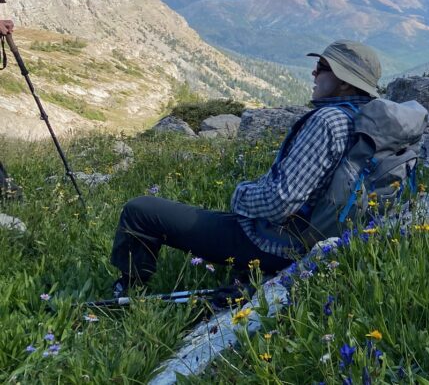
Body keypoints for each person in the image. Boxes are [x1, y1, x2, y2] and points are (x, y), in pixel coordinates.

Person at [110, 40, 382, 295]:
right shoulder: (366, 120)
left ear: (346, 84)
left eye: (322, 68)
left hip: (276, 243)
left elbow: (280, 202)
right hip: (318, 237)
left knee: (140, 211)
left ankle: (129, 292)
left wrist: (241, 194)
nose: (314, 73)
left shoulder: (328, 121)